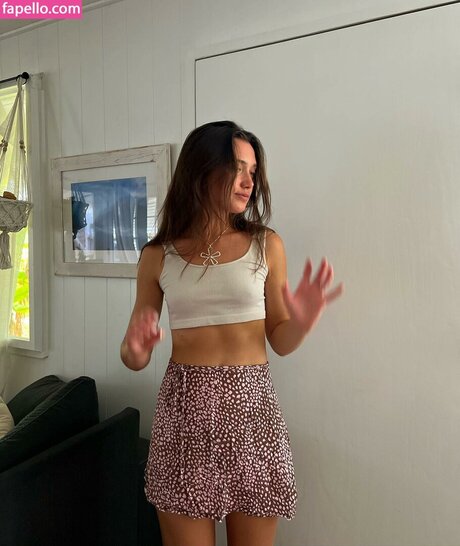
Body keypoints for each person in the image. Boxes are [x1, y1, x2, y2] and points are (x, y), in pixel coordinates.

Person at [120, 120, 344, 546]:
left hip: (253, 417)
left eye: (253, 172)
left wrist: (303, 319)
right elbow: (134, 356)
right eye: (238, 168)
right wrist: (135, 347)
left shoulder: (266, 245)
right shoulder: (157, 255)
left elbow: (280, 340)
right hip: (184, 421)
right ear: (202, 170)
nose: (248, 182)